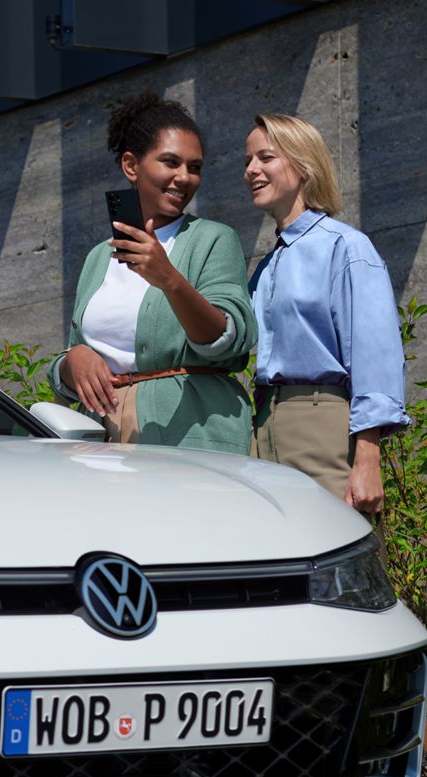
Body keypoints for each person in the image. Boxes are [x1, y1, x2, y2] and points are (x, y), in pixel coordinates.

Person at [49, 93, 257, 453]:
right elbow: (73, 354)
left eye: (195, 167)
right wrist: (72, 360)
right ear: (132, 166)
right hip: (100, 439)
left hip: (188, 431)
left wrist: (169, 279)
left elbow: (229, 342)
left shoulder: (213, 239)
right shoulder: (99, 257)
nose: (184, 177)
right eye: (170, 162)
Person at [242, 112, 408, 511]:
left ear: (303, 165)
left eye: (265, 157)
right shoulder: (266, 267)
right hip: (263, 423)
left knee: (337, 559)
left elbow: (375, 353)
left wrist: (368, 457)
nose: (250, 170)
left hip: (322, 426)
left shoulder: (346, 248)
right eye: (247, 161)